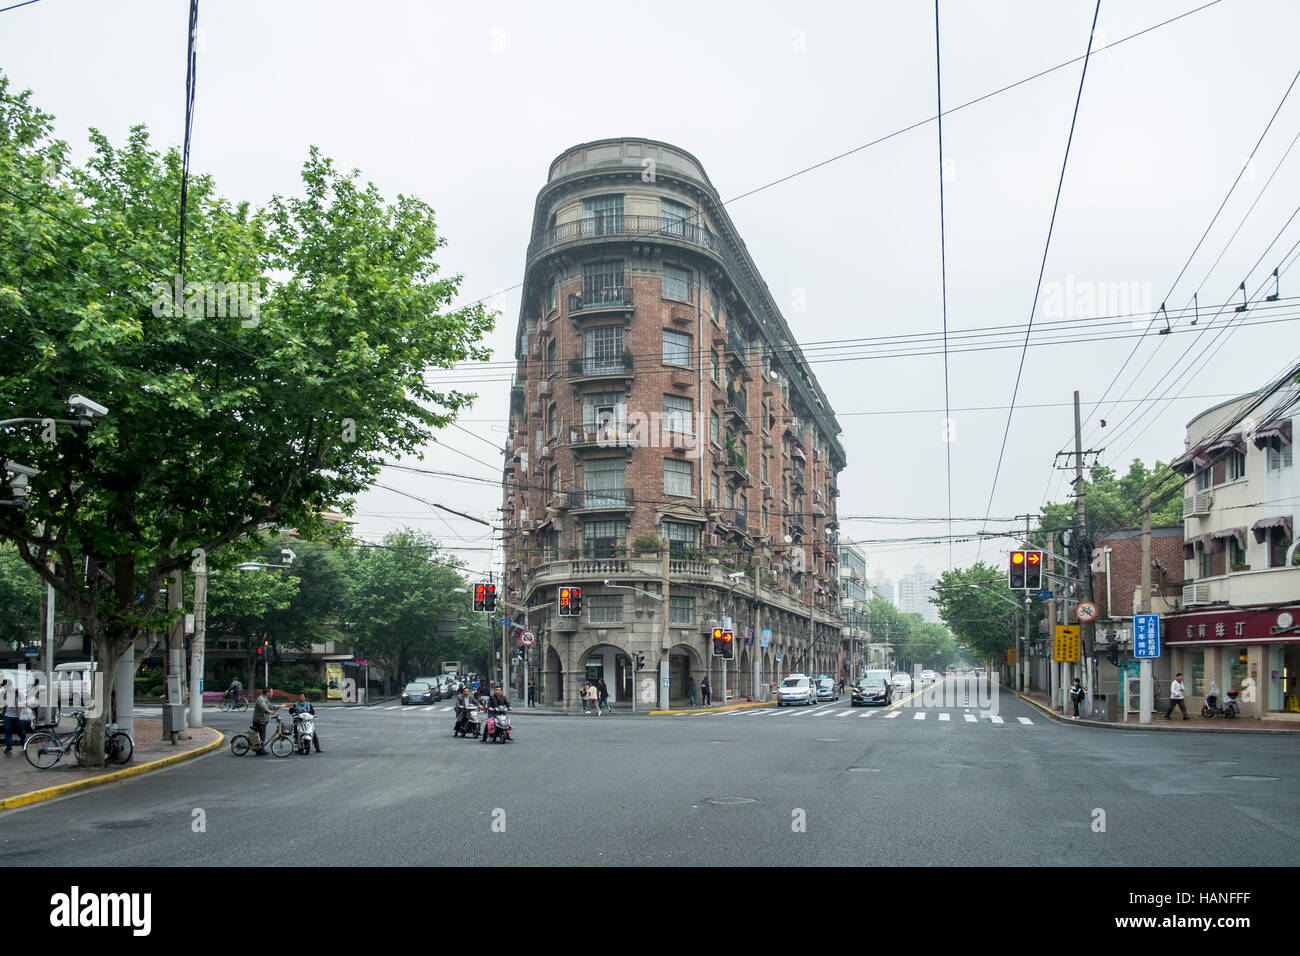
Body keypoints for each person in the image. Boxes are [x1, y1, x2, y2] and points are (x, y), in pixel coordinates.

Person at [252, 688, 285, 754]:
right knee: (261, 736)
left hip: (262, 720)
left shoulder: (265, 699)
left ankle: (260, 749)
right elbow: (263, 707)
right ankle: (260, 750)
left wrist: (281, 706)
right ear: (267, 692)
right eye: (271, 692)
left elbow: (271, 706)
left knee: (262, 736)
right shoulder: (261, 699)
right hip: (259, 720)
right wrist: (268, 711)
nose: (272, 694)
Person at [1, 678, 26, 755]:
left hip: (18, 715)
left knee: (20, 731)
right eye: (4, 687)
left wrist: (17, 704)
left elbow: (25, 702)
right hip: (7, 715)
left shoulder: (19, 692)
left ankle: (24, 743)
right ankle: (9, 747)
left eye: (7, 686)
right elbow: (2, 704)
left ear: (11, 685)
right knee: (7, 731)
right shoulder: (3, 693)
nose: (5, 688)